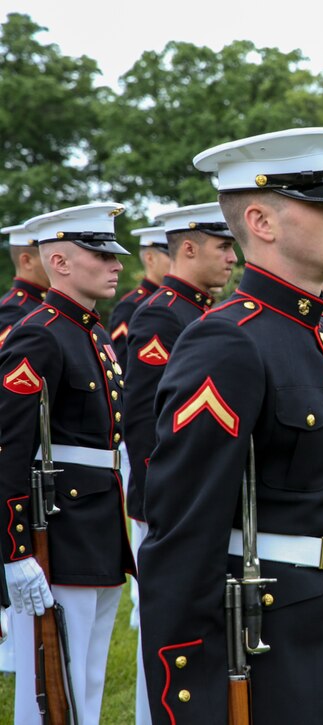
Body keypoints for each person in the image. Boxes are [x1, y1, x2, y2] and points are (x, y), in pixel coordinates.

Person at [138, 128, 323, 725]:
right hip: (269, 641)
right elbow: (183, 534)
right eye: (322, 202)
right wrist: (188, 696)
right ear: (261, 219)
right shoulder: (227, 341)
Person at [1, 202, 135, 725]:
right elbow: (9, 447)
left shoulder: (91, 333)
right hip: (56, 528)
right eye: (100, 255)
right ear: (58, 261)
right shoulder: (42, 334)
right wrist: (13, 551)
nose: (117, 265)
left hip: (95, 524)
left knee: (89, 680)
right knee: (51, 683)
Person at [122, 203, 237, 725]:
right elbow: (146, 424)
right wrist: (157, 508)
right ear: (187, 248)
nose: (232, 258)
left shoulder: (202, 313)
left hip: (193, 502)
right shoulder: (162, 314)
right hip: (168, 505)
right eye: (222, 247)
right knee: (167, 632)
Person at [108, 226, 171, 365]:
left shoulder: (177, 303)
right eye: (171, 254)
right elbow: (122, 364)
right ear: (150, 258)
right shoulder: (131, 306)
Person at [0, 223, 49, 347]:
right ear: (27, 261)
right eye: (48, 257)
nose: (58, 263)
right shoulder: (15, 311)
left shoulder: (40, 303)